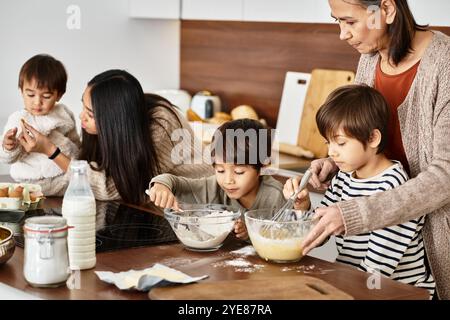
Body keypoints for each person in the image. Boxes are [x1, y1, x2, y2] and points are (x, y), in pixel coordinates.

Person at [296, 0, 449, 299]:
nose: (342, 34)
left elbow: (445, 177)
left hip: (436, 247)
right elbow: (362, 132)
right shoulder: (370, 57)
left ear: (387, 10)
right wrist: (334, 159)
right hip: (381, 252)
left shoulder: (445, 65)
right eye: (337, 22)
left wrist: (355, 214)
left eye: (350, 22)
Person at [284, 85, 435, 296]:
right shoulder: (344, 176)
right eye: (328, 143)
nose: (331, 153)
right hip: (356, 281)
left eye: (341, 143)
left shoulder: (394, 185)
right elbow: (320, 232)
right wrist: (302, 207)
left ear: (373, 138)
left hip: (396, 290)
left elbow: (379, 265)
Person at [17, 69, 213, 204]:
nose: (81, 116)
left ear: (113, 119)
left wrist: (50, 150)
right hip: (157, 201)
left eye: (90, 114)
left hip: (200, 199)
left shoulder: (161, 123)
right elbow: (93, 165)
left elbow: (111, 188)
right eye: (84, 107)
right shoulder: (116, 124)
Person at [147, 119, 286, 239]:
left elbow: (285, 238)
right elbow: (177, 183)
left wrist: (250, 234)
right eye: (220, 170)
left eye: (239, 171)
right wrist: (161, 185)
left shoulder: (275, 196)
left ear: (262, 166)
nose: (228, 180)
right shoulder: (214, 186)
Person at [0, 54, 80, 183]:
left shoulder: (64, 113)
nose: (37, 102)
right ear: (22, 91)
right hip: (30, 181)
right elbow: (6, 158)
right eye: (30, 94)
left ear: (58, 95)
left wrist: (78, 158)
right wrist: (9, 147)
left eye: (47, 96)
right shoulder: (18, 119)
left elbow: (75, 142)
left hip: (63, 177)